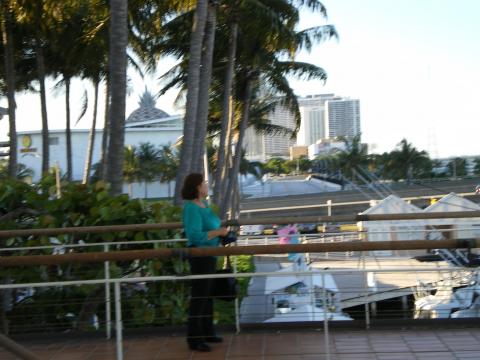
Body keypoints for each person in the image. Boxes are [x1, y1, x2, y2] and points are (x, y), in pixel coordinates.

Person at [181, 173, 228, 352]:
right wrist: (218, 233)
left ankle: (208, 332)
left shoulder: (205, 205)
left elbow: (212, 226)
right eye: (205, 183)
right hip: (200, 257)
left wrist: (222, 234)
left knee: (207, 296)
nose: (207, 185)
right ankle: (194, 339)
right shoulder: (191, 208)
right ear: (197, 188)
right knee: (199, 297)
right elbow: (194, 235)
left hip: (210, 255)